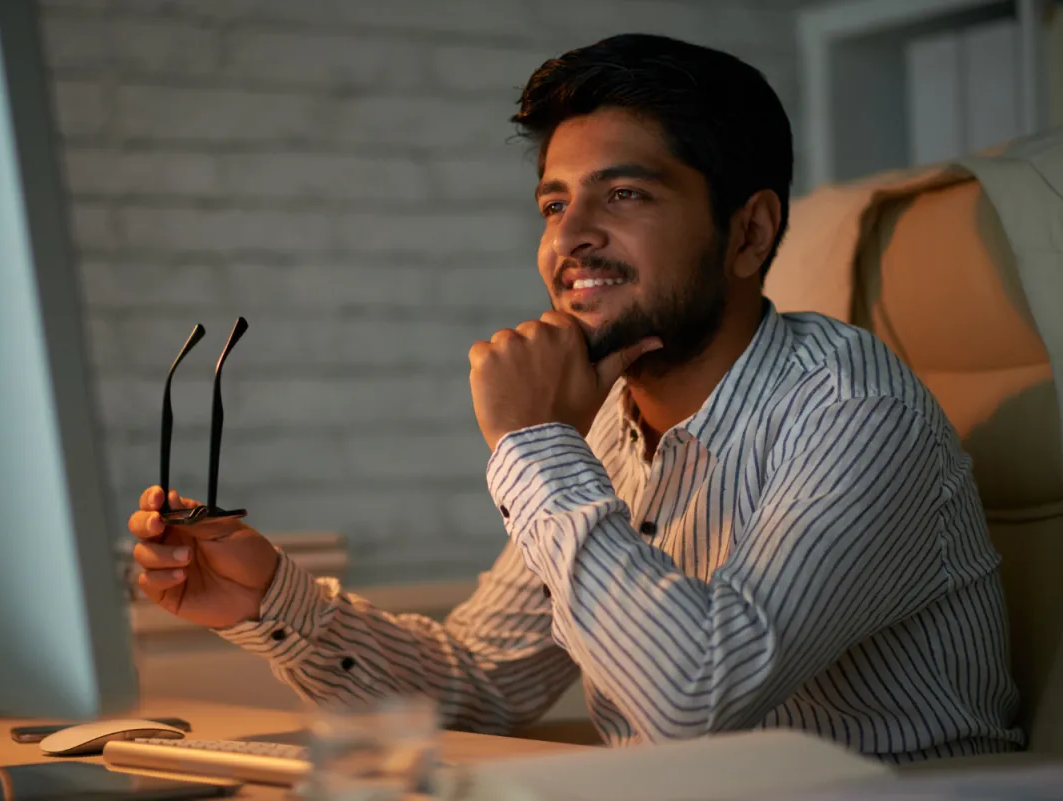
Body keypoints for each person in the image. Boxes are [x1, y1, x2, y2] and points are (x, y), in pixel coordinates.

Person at [128, 33, 1021, 762]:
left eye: (624, 194)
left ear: (749, 231)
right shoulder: (605, 423)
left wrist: (535, 446)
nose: (571, 241)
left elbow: (693, 702)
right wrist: (269, 600)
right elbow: (485, 682)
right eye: (554, 205)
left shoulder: (856, 410)